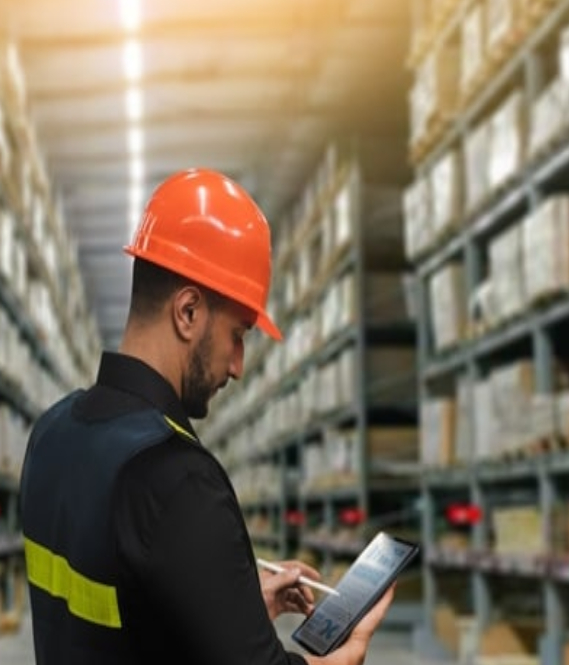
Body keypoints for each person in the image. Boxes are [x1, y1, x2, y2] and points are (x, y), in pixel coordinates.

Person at [19, 168, 393, 664]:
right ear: (188, 312)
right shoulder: (176, 478)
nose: (238, 366)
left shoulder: (51, 432)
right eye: (238, 334)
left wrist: (231, 611)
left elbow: (120, 618)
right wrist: (351, 653)